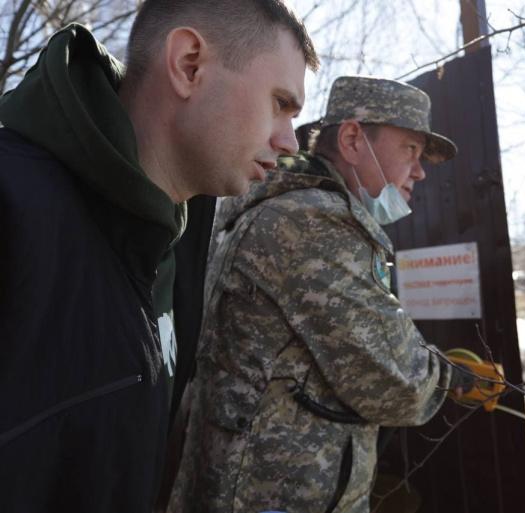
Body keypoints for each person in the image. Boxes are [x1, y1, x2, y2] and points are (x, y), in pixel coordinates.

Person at [0, 1, 318, 512]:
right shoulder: (13, 207)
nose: (289, 142)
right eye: (280, 103)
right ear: (189, 64)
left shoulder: (178, 242)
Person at [169, 76, 471, 513]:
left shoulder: (284, 207)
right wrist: (452, 379)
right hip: (276, 495)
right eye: (410, 149)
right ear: (352, 140)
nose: (420, 170)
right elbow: (400, 384)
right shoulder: (316, 222)